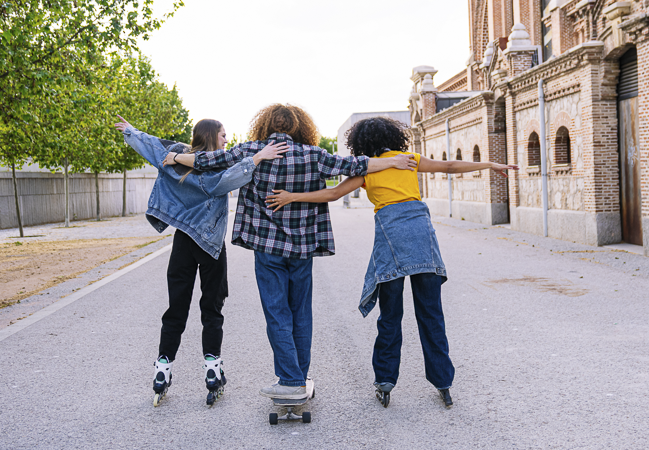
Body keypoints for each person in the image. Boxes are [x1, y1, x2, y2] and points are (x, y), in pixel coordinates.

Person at [165, 104, 417, 400]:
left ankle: (290, 379)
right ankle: (299, 376)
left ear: (265, 125)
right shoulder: (313, 155)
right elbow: (356, 165)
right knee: (301, 312)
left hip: (267, 247)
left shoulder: (252, 150)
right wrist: (394, 162)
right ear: (300, 127)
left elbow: (209, 160)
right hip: (302, 248)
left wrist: (174, 156)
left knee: (277, 313)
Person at [265, 116, 518, 407]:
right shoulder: (407, 159)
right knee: (431, 314)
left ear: (361, 144)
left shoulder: (368, 170)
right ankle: (443, 381)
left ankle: (385, 381)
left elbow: (333, 194)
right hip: (422, 238)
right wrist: (490, 165)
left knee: (390, 316)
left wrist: (291, 196)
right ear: (393, 137)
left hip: (391, 241)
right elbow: (449, 167)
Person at [114, 115, 288, 406]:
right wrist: (258, 157)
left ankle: (162, 369)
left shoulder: (177, 156)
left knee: (176, 310)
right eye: (223, 136)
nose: (226, 141)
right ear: (211, 136)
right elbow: (229, 181)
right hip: (210, 247)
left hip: (183, 243)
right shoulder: (217, 165)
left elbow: (153, 147)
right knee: (212, 308)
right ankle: (212, 369)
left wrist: (132, 132)